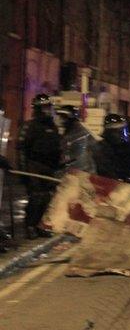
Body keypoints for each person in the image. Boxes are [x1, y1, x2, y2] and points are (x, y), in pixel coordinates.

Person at [17, 94, 62, 238]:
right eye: (43, 108)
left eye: (48, 107)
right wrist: (23, 171)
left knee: (48, 198)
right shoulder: (29, 126)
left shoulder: (53, 127)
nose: (47, 111)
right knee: (36, 197)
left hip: (49, 167)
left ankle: (41, 225)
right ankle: (30, 226)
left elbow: (57, 147)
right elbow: (21, 148)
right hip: (34, 166)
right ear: (37, 109)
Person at [93, 114, 130, 183]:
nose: (121, 134)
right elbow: (104, 170)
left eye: (122, 131)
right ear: (110, 132)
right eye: (118, 131)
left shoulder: (128, 146)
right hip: (108, 186)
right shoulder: (101, 148)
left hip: (127, 186)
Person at [56, 105, 96, 173]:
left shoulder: (76, 134)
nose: (59, 119)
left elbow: (70, 157)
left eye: (62, 117)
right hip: (85, 171)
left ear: (68, 118)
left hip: (79, 173)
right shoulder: (75, 130)